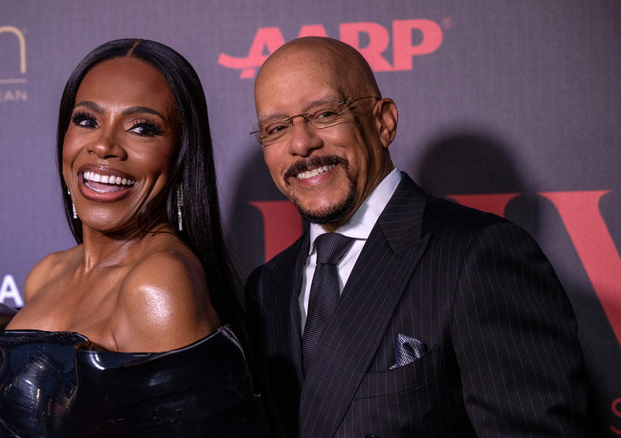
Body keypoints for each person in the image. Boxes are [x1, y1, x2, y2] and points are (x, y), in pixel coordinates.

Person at [0, 39, 267, 437]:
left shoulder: (158, 284)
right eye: (87, 120)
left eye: (142, 128)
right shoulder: (48, 272)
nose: (104, 145)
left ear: (179, 154)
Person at [244, 36, 590, 437]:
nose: (301, 143)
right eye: (277, 127)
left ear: (383, 122)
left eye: (324, 113)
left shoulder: (477, 255)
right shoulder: (266, 287)